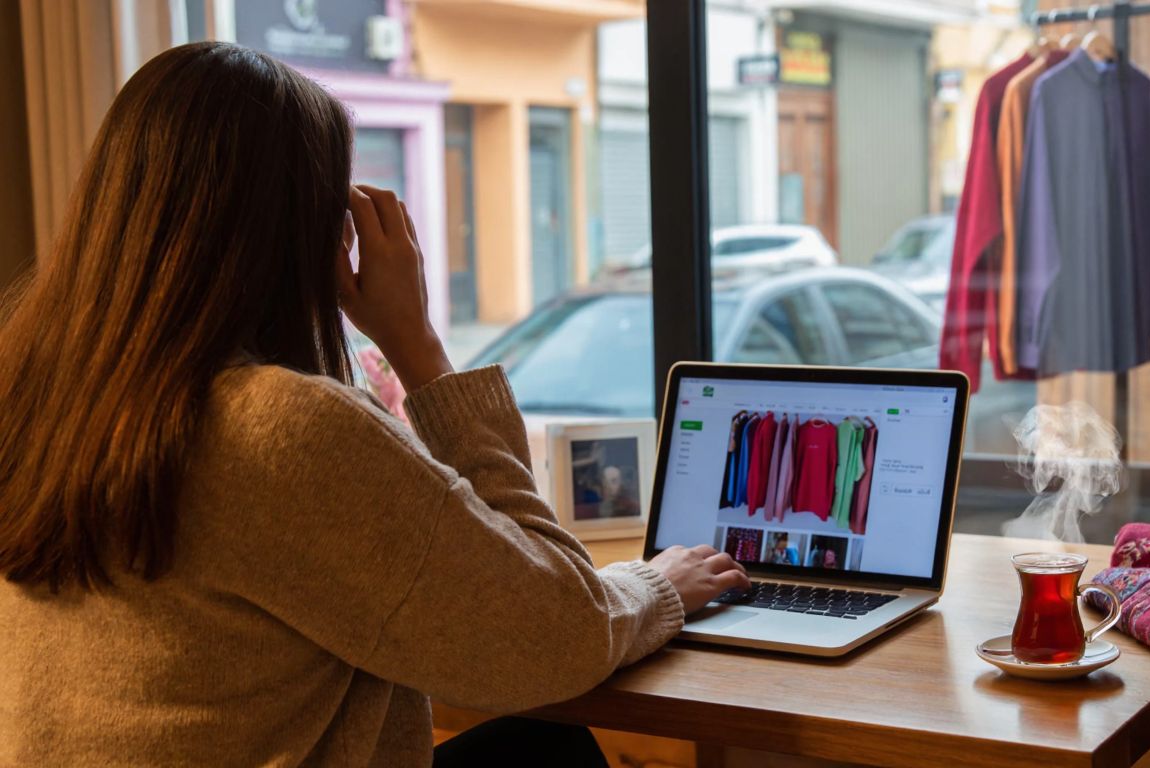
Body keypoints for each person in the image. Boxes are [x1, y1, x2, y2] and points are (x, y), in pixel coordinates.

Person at [0, 42, 749, 767]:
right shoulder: (277, 428)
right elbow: (559, 637)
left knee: (537, 748)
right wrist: (415, 341)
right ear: (311, 234)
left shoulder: (36, 394)